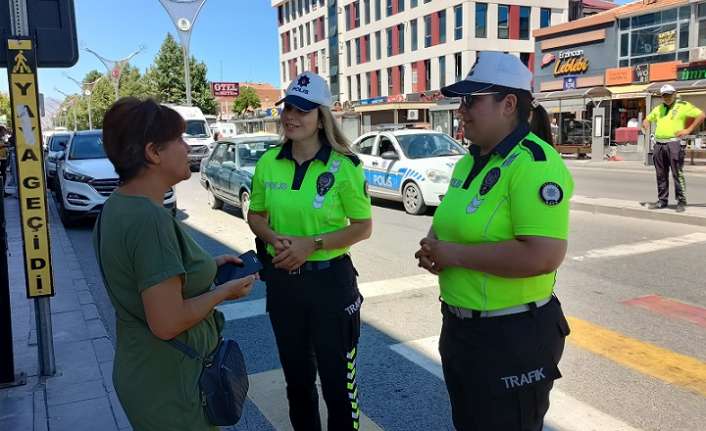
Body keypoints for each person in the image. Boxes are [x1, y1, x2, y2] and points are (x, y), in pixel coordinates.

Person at [414, 52, 573, 431]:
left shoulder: (535, 163)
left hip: (513, 338)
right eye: (461, 100)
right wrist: (432, 246)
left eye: (472, 100)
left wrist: (453, 254)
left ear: (509, 104)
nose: (462, 110)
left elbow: (544, 254)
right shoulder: (469, 161)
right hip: (461, 329)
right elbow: (446, 222)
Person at [93, 98, 256, 431]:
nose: (189, 147)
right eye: (180, 140)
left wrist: (208, 266)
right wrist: (223, 292)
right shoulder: (148, 220)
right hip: (171, 386)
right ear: (153, 153)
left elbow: (148, 276)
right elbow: (166, 322)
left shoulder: (119, 206)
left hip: (144, 371)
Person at [247, 71, 372, 431]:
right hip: (285, 286)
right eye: (288, 107)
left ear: (321, 118)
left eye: (302, 110)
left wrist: (311, 245)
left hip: (331, 286)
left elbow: (362, 227)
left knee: (338, 388)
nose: (291, 116)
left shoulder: (344, 166)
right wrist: (273, 238)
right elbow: (255, 215)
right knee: (297, 384)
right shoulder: (268, 162)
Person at [642, 84, 705, 212]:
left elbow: (701, 115)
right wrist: (646, 122)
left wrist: (688, 129)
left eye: (669, 94)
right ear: (661, 96)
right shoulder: (658, 108)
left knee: (677, 174)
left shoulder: (683, 106)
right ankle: (662, 200)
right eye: (664, 95)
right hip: (659, 145)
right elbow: (647, 119)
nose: (667, 97)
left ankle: (681, 201)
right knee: (661, 175)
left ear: (674, 94)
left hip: (674, 144)